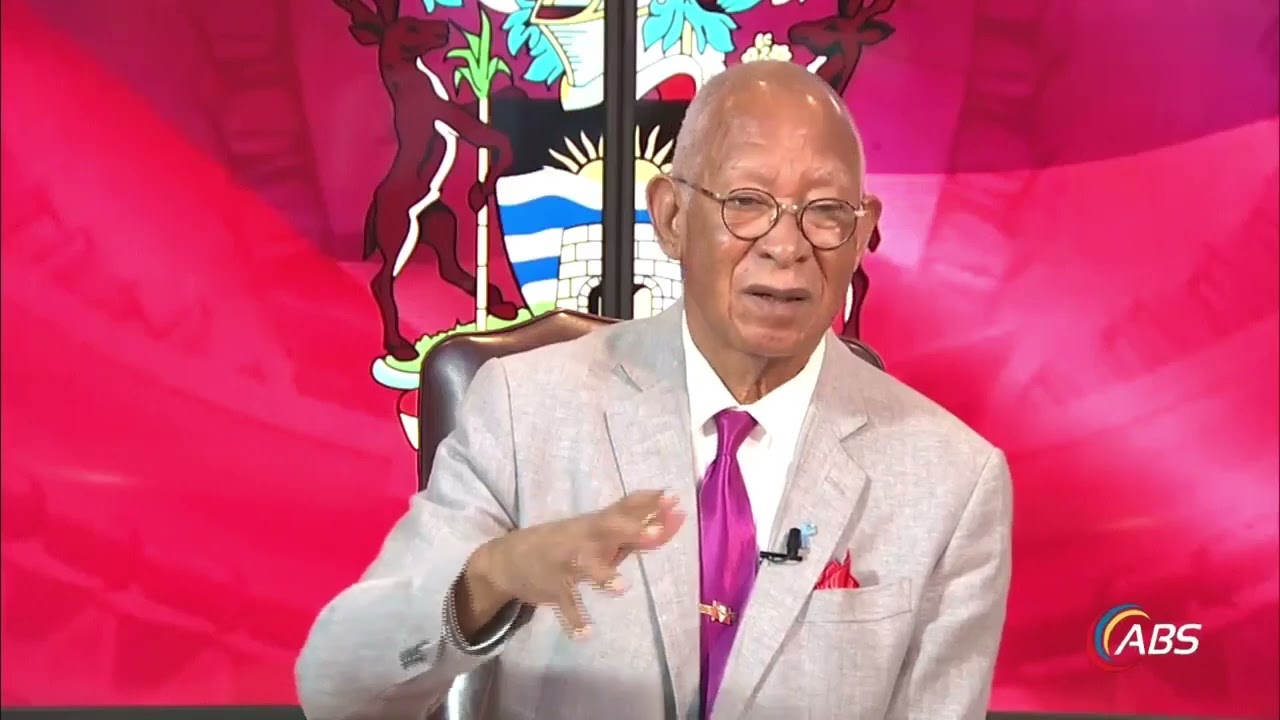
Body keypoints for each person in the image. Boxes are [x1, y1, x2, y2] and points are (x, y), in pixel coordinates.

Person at [296, 60, 1013, 720]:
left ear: (861, 236)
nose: (786, 246)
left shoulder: (951, 480)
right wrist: (490, 579)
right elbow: (335, 683)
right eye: (747, 202)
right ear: (672, 218)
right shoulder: (525, 411)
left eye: (825, 212)